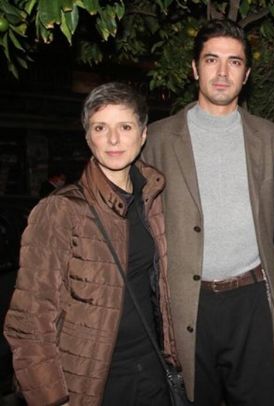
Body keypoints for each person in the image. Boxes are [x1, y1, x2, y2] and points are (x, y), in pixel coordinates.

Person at [3, 82, 180, 406]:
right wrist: (52, 398)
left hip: (152, 369)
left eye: (125, 127)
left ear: (143, 135)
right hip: (89, 383)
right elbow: (29, 319)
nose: (113, 139)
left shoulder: (152, 199)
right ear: (88, 137)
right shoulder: (60, 210)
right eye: (101, 127)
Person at [142, 19, 274, 406]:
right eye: (211, 60)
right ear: (194, 68)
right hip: (188, 303)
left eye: (234, 62)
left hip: (255, 301)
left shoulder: (273, 139)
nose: (222, 72)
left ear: (247, 74)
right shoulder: (156, 140)